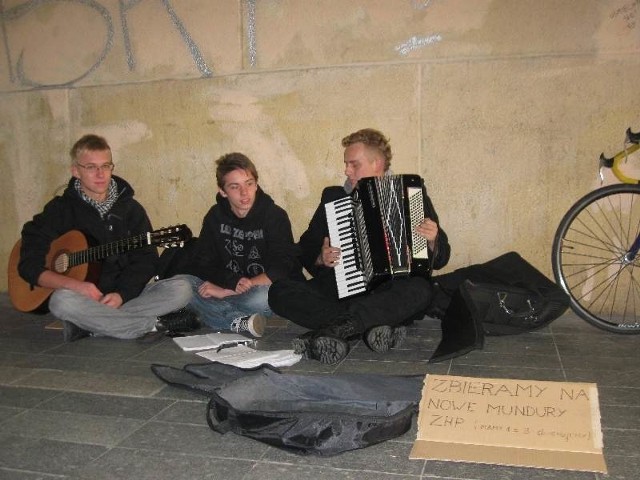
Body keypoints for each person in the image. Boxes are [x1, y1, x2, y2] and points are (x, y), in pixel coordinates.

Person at [268, 128, 451, 364]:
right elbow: (305, 247)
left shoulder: (411, 194)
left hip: (391, 290)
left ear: (378, 163)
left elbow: (442, 257)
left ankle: (337, 329)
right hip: (344, 287)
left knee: (420, 290)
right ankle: (362, 327)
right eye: (346, 164)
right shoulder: (334, 198)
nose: (346, 170)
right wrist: (319, 258)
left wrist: (433, 239)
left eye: (354, 164)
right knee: (279, 292)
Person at [17, 134, 197, 343]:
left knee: (182, 288)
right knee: (60, 301)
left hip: (125, 297)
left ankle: (93, 326)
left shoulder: (131, 209)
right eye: (91, 167)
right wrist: (76, 285)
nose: (101, 174)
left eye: (106, 166)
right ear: (76, 171)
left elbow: (146, 261)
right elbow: (28, 265)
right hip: (82, 298)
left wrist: (122, 294)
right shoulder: (60, 210)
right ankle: (149, 325)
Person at [182, 152, 304, 337]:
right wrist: (230, 282)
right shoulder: (215, 216)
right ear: (222, 191)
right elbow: (203, 262)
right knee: (183, 285)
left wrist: (226, 291)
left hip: (261, 288)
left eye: (249, 184)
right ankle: (238, 320)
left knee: (265, 298)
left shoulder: (274, 216)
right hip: (231, 283)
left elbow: (281, 268)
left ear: (256, 184)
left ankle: (212, 313)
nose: (244, 193)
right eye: (234, 186)